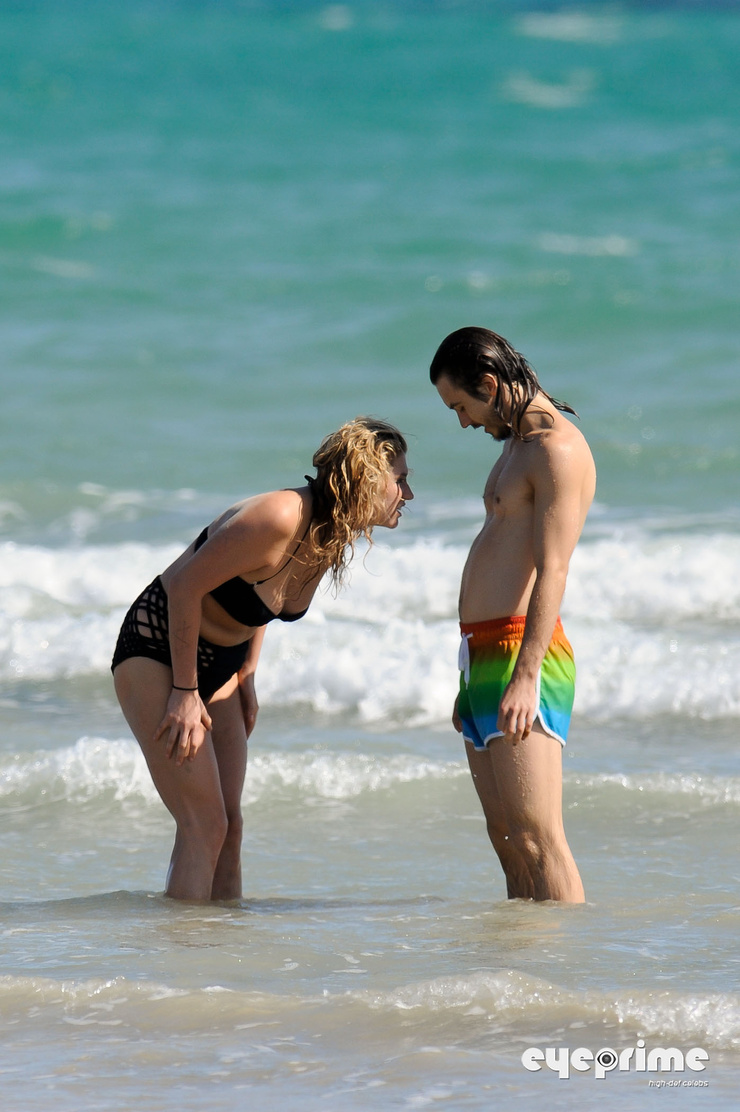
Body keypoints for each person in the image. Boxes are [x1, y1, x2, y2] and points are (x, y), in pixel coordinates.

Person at [112, 417, 412, 902]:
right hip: (159, 647)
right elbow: (185, 586)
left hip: (223, 663)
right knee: (204, 824)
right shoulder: (279, 516)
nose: (409, 494)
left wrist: (247, 672)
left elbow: (262, 600)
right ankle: (182, 945)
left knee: (229, 828)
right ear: (368, 478)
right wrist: (185, 692)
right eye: (401, 480)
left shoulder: (330, 532)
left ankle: (223, 944)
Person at [430, 327, 595, 903]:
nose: (463, 422)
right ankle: (524, 956)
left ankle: (566, 954)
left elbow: (554, 570)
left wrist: (526, 676)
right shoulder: (515, 447)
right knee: (507, 840)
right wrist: (469, 677)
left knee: (538, 839)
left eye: (461, 406)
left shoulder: (556, 450)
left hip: (524, 651)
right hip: (481, 654)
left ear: (490, 383)